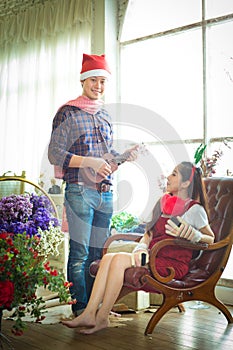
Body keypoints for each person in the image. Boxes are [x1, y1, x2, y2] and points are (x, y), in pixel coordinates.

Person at [62, 161, 215, 334]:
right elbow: (148, 234)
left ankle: (102, 318)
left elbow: (211, 238)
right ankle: (90, 313)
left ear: (186, 183)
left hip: (173, 264)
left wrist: (195, 235)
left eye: (174, 174)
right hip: (154, 257)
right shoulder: (163, 202)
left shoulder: (194, 210)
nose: (168, 177)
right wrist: (141, 248)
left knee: (118, 259)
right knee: (108, 258)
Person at [48, 53, 139, 316]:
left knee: (99, 253)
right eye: (93, 80)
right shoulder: (68, 112)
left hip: (105, 192)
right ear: (83, 81)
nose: (98, 86)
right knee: (79, 253)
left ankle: (97, 305)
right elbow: (55, 154)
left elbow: (106, 158)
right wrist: (89, 162)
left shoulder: (105, 115)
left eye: (102, 81)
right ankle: (81, 308)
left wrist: (123, 158)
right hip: (79, 190)